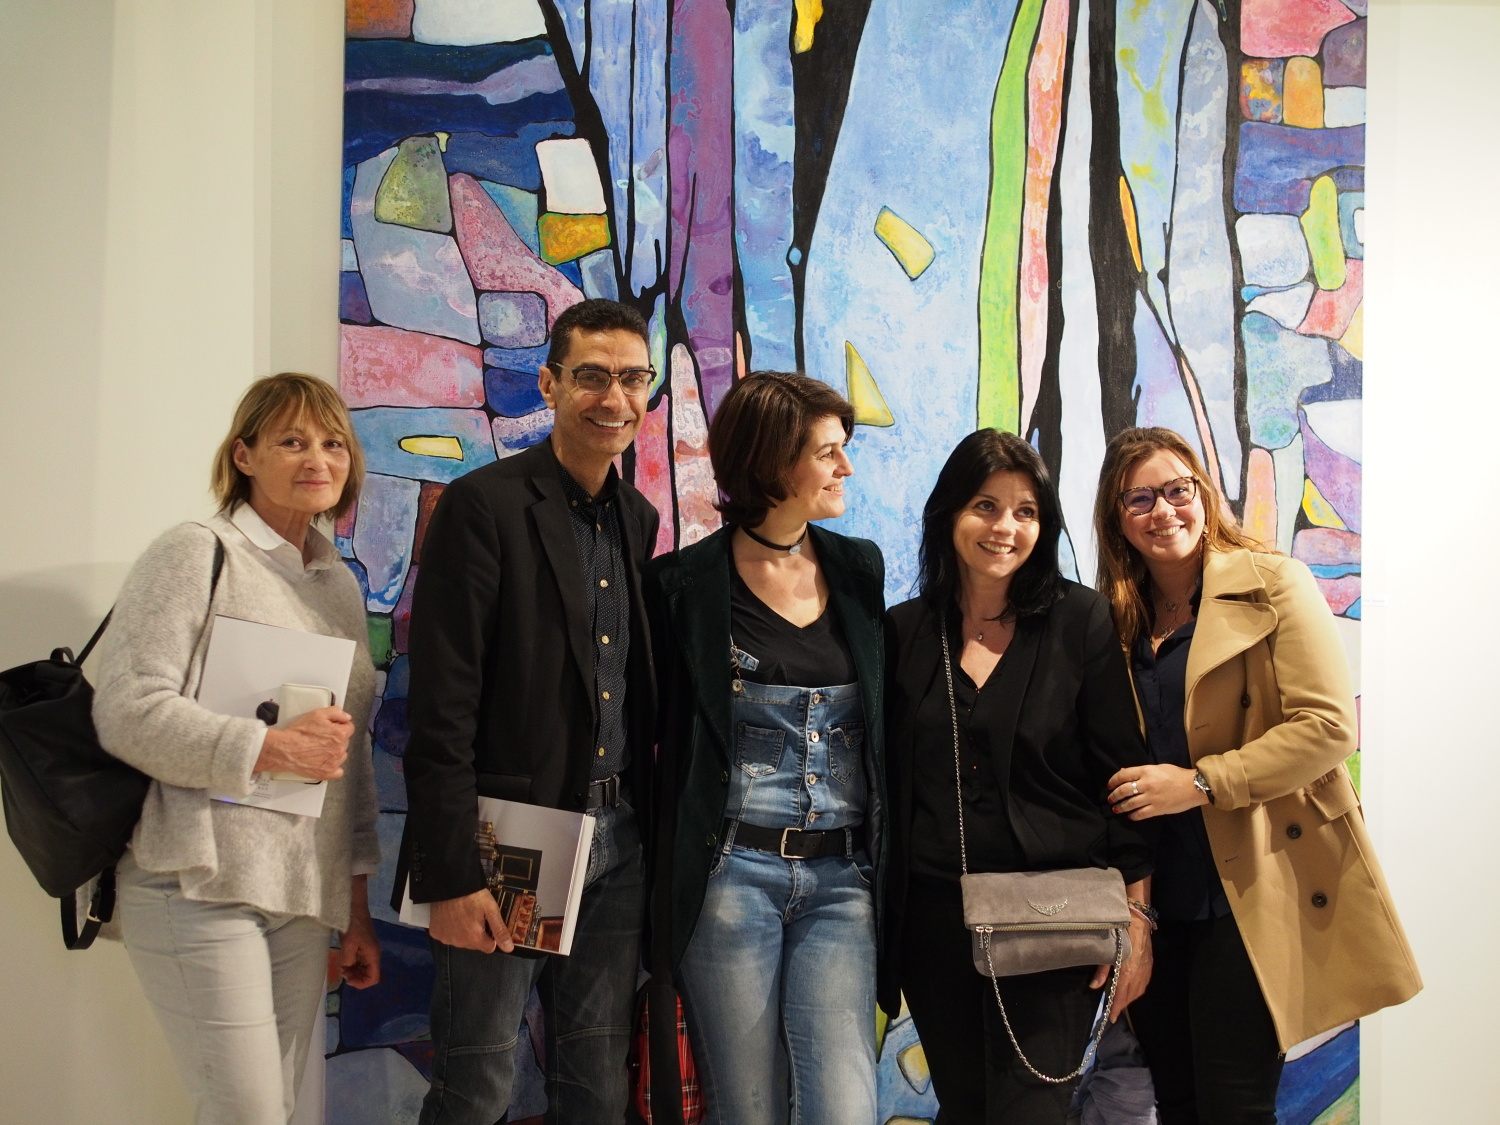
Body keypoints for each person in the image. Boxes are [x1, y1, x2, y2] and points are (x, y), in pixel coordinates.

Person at [1092, 426, 1421, 1124]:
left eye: (1177, 490)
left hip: (1249, 886)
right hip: (1155, 896)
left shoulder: (1273, 582)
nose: (1163, 511)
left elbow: (1327, 726)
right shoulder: (1114, 619)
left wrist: (1200, 782)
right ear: (1116, 517)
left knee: (1235, 1107)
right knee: (1177, 1103)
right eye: (1140, 499)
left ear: (1204, 493)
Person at [92, 372, 382, 1124]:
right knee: (247, 1113)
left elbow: (348, 764)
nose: (317, 459)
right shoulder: (196, 552)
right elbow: (126, 712)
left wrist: (352, 907)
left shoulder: (338, 586)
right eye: (292, 441)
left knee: (272, 1110)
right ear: (244, 455)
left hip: (300, 894)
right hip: (196, 878)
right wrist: (268, 747)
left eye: (333, 444)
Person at [399, 298, 660, 1124]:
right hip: (508, 839)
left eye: (632, 378)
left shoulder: (637, 518)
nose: (614, 397)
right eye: (592, 376)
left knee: (597, 1087)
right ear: (549, 384)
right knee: (477, 1084)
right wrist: (452, 874)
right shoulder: (484, 506)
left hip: (618, 843)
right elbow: (441, 708)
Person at [881, 429, 1154, 1124]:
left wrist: (1138, 917)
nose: (1005, 527)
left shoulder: (1079, 621)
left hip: (1054, 919)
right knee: (966, 1108)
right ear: (949, 513)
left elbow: (1122, 777)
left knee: (1031, 1109)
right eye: (986, 505)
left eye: (1025, 511)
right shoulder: (904, 633)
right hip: (936, 925)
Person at [644, 371, 887, 1125]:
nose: (846, 467)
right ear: (775, 461)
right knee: (747, 1109)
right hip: (730, 876)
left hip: (842, 877)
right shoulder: (683, 585)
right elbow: (660, 739)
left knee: (843, 1108)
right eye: (827, 452)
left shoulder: (859, 569)